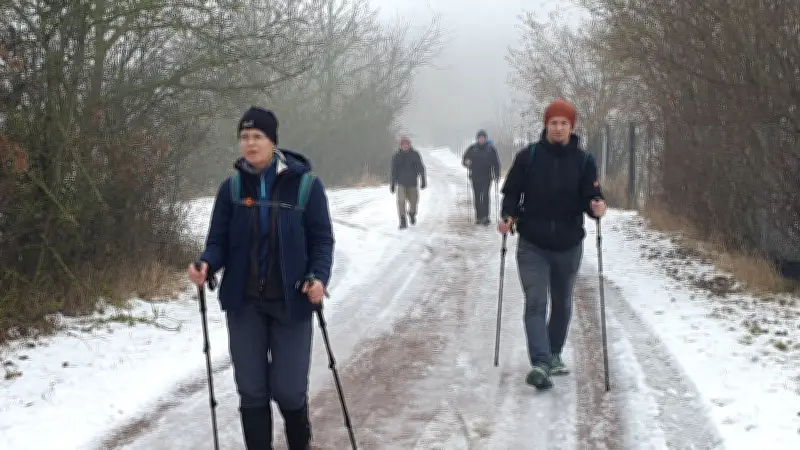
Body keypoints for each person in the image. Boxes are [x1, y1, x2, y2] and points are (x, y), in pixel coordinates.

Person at [187, 106, 334, 449]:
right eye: (244, 137)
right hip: (245, 304)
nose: (250, 144)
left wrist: (319, 278)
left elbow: (322, 240)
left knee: (289, 388)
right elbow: (218, 242)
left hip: (292, 303)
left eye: (257, 137)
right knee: (251, 390)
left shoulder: (306, 186)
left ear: (273, 141)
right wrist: (206, 263)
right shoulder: (232, 189)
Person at [497, 98, 607, 390]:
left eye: (564, 124)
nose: (558, 128)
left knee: (561, 302)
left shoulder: (584, 160)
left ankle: (555, 353)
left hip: (569, 243)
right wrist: (507, 216)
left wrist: (597, 206)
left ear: (572, 127)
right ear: (546, 125)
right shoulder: (528, 157)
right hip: (532, 242)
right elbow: (511, 193)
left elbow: (592, 197)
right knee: (536, 302)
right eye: (553, 123)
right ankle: (541, 363)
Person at [462, 129, 500, 225]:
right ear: (477, 139)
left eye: (483, 138)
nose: (482, 139)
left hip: (487, 177)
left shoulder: (491, 149)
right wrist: (467, 162)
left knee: (485, 196)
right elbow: (464, 159)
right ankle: (479, 217)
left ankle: (486, 217)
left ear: (486, 139)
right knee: (477, 197)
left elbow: (496, 163)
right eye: (480, 138)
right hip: (475, 177)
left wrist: (496, 174)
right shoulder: (472, 149)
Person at [390, 136, 427, 229]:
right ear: (401, 145)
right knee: (401, 201)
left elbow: (420, 167)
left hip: (412, 183)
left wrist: (423, 179)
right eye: (403, 145)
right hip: (401, 183)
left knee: (414, 202)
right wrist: (393, 183)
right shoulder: (397, 156)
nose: (405, 146)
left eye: (407, 144)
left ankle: (412, 213)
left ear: (409, 145)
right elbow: (394, 170)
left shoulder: (415, 155)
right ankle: (402, 220)